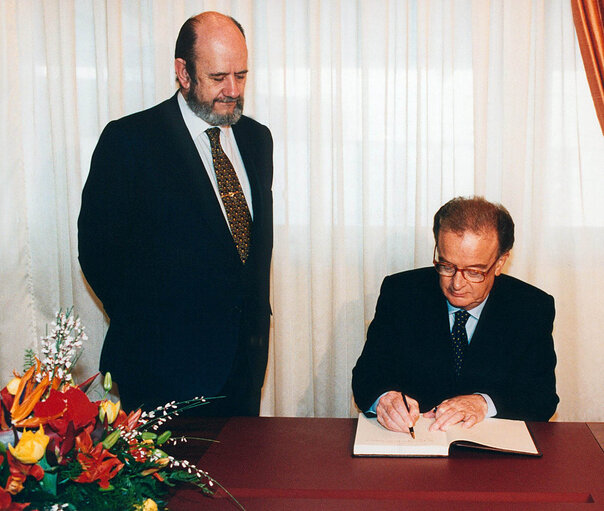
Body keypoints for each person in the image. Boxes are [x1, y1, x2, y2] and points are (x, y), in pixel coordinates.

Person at [78, 12, 273, 416]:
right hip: (159, 376)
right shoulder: (129, 142)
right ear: (183, 73)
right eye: (219, 77)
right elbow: (97, 254)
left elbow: (247, 256)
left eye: (241, 75)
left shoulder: (257, 139)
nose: (233, 90)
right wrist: (154, 331)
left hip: (243, 372)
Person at [352, 196, 558, 433]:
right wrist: (385, 399)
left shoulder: (530, 307)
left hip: (492, 455)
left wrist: (483, 403)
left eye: (474, 271)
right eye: (446, 266)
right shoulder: (401, 293)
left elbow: (542, 397)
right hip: (415, 449)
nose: (457, 284)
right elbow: (367, 377)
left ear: (500, 262)